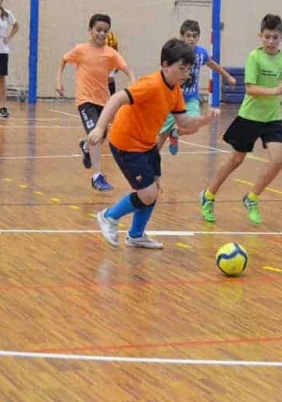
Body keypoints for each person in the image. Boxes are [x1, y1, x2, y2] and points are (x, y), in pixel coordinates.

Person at [89, 38, 219, 249]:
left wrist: (205, 120)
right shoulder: (150, 85)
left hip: (147, 143)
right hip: (126, 143)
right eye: (182, 69)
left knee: (153, 187)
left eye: (188, 70)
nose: (186, 75)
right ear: (166, 65)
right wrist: (99, 127)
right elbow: (116, 99)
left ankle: (136, 235)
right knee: (147, 193)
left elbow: (183, 121)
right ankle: (108, 216)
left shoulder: (175, 90)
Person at [199, 14, 282, 225]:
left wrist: (281, 88)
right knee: (236, 159)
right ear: (260, 36)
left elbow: (279, 81)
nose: (270, 41)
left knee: (278, 160)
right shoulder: (254, 57)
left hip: (272, 118)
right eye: (267, 36)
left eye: (275, 37)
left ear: (281, 38)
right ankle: (208, 195)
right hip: (250, 116)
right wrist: (275, 90)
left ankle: (252, 198)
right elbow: (250, 89)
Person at [56, 13, 136, 192]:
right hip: (85, 100)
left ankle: (85, 146)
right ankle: (97, 176)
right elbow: (63, 60)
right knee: (96, 135)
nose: (101, 34)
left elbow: (127, 69)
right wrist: (59, 82)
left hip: (104, 101)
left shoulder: (110, 53)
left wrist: (132, 83)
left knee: (100, 136)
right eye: (98, 30)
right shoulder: (80, 50)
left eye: (105, 31)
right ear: (90, 30)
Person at [156, 19, 236, 155]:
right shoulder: (176, 53)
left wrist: (227, 76)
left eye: (194, 36)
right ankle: (152, 159)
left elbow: (212, 64)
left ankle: (175, 133)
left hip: (191, 98)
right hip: (173, 98)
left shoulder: (201, 53)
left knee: (194, 127)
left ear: (198, 37)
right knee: (162, 133)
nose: (191, 39)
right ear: (182, 37)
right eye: (188, 35)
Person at [106, 29, 120, 96]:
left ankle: (112, 96)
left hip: (110, 60)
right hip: (99, 60)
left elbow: (115, 48)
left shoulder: (111, 35)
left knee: (110, 78)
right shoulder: (95, 36)